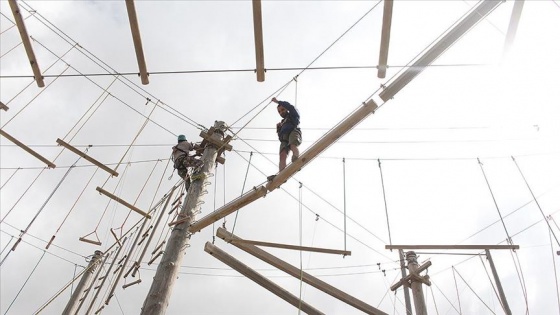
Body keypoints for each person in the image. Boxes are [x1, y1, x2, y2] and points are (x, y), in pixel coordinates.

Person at [271, 97, 302, 172]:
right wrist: (278, 130)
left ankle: (296, 157)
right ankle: (281, 172)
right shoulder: (282, 123)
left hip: (293, 131)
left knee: (292, 145)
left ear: (287, 109)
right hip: (284, 137)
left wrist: (278, 102)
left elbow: (290, 107)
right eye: (279, 112)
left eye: (283, 110)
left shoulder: (292, 115)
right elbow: (280, 138)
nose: (281, 112)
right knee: (282, 154)